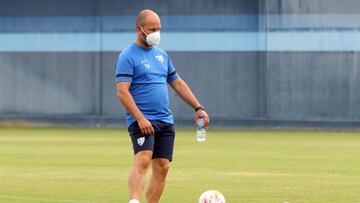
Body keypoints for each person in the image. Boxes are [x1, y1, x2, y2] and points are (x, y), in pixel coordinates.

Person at [115, 9, 210, 203]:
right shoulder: (127, 56)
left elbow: (178, 84)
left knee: (163, 166)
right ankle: (134, 200)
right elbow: (122, 92)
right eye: (152, 29)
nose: (156, 33)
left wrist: (198, 107)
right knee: (143, 159)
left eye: (159, 29)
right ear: (139, 29)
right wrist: (140, 118)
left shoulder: (162, 55)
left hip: (165, 119)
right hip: (142, 120)